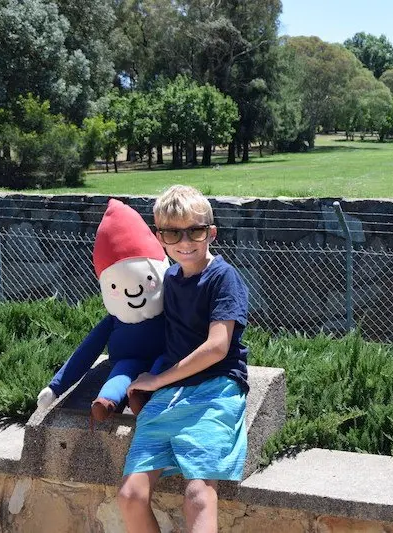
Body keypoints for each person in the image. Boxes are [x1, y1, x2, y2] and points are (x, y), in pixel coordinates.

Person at [118, 185, 249, 533]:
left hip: (216, 390)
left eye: (196, 230)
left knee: (198, 494)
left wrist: (157, 380)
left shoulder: (224, 278)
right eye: (173, 232)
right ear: (159, 235)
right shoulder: (171, 279)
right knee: (130, 495)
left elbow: (217, 346)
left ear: (212, 233)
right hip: (171, 396)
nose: (185, 241)